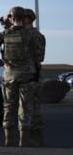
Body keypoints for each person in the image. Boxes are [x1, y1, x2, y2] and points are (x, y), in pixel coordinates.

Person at [0, 6, 45, 147]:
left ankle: (8, 139)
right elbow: (40, 57)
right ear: (24, 17)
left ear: (11, 18)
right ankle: (23, 140)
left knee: (8, 107)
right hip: (27, 76)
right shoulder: (33, 34)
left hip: (9, 75)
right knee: (25, 108)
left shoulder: (4, 34)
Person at [23, 8, 46, 146]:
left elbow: (39, 57)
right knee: (27, 106)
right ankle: (32, 135)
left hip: (32, 73)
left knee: (33, 106)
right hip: (27, 72)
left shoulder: (35, 35)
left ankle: (36, 134)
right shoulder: (22, 34)